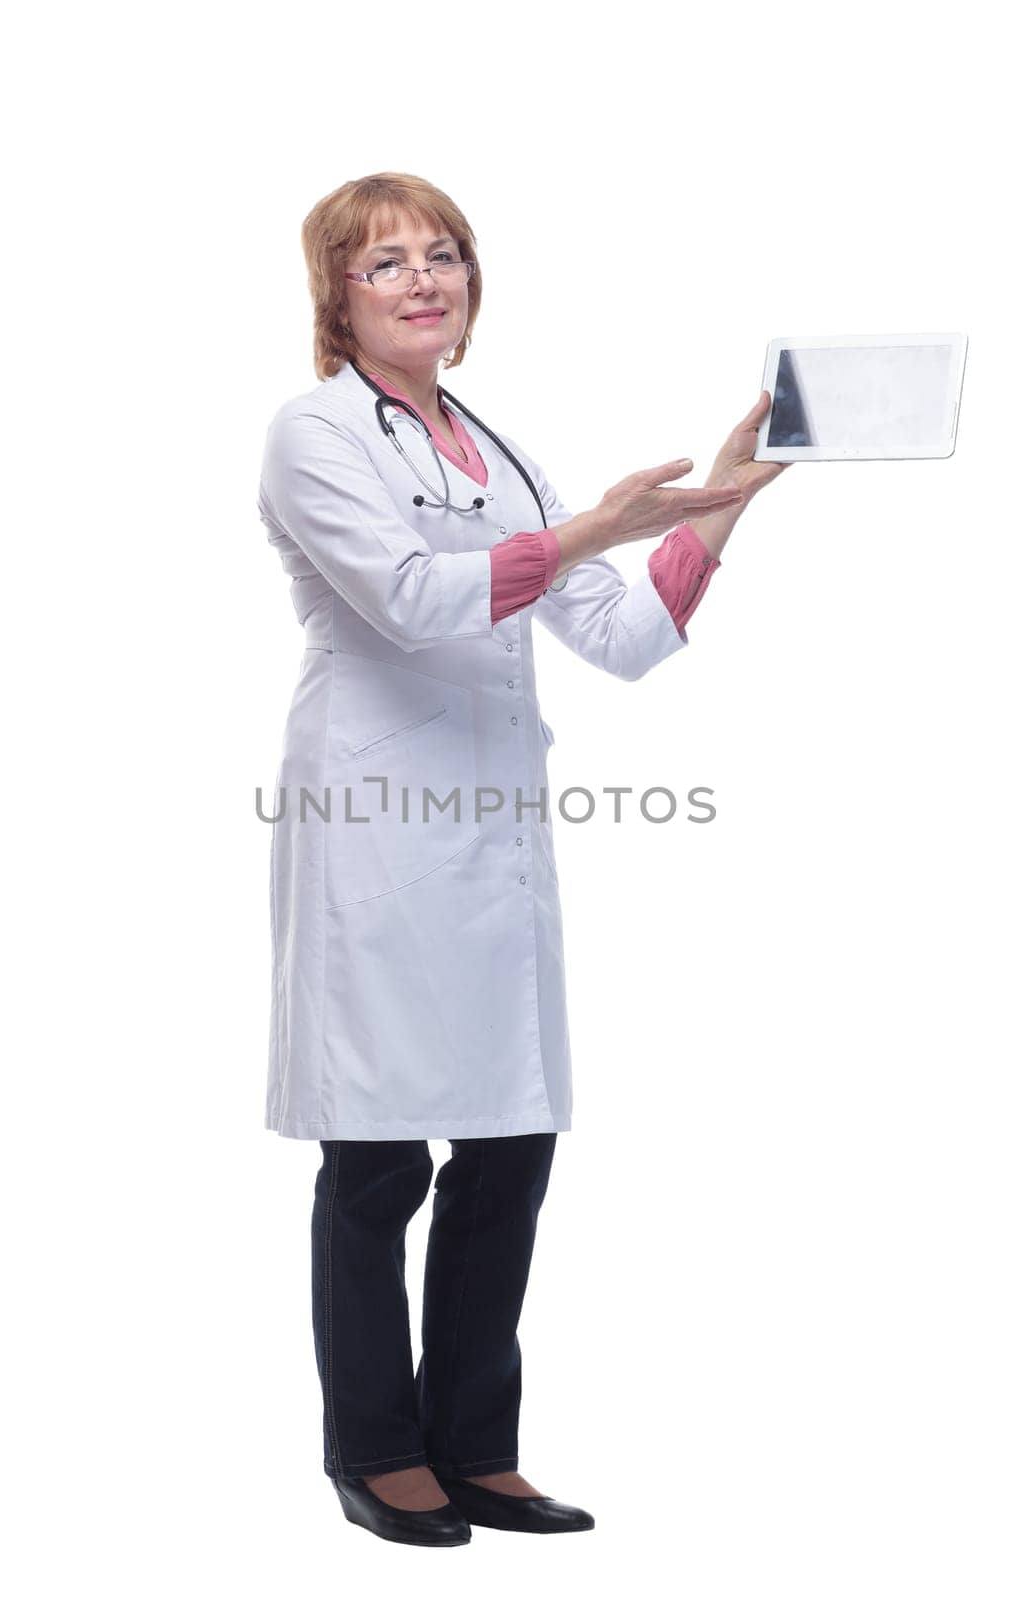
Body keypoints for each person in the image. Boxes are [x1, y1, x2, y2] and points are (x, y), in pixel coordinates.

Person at [257, 171, 789, 1547]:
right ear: (338, 297)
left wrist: (721, 505)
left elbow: (616, 634)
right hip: (376, 835)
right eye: (386, 265)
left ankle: (475, 1447)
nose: (423, 280)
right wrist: (583, 535)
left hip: (492, 840)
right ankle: (375, 1453)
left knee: (507, 1149)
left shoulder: (502, 452)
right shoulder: (315, 436)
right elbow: (412, 597)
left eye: (444, 256)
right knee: (378, 1168)